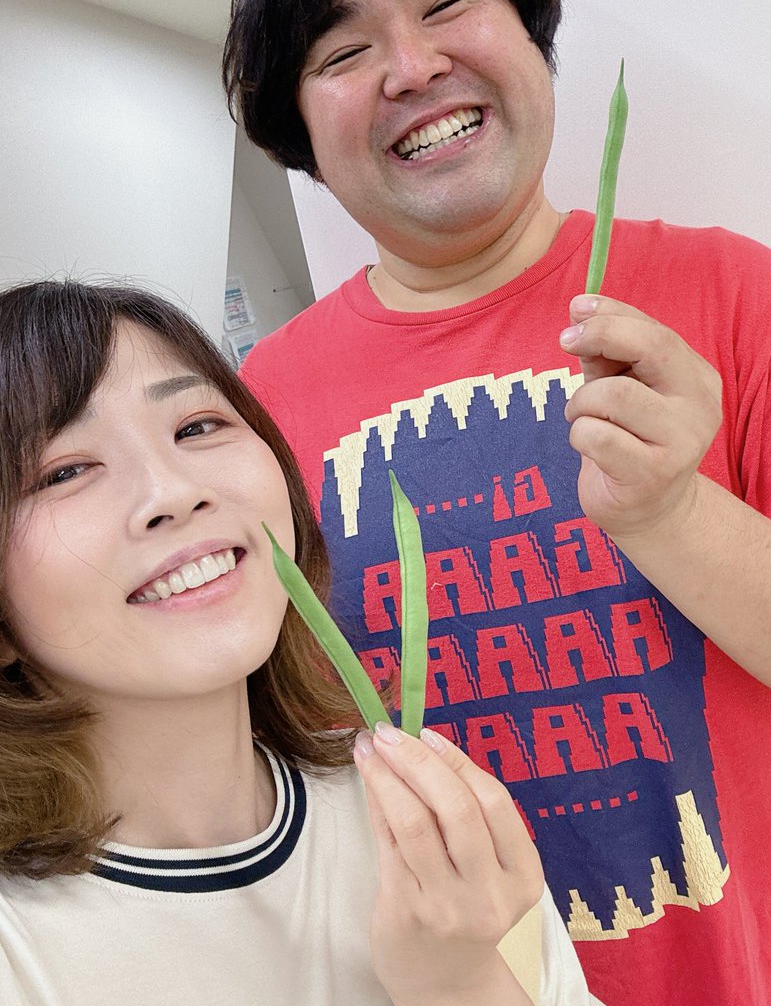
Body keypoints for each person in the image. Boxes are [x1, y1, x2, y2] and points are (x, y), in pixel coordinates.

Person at [222, 0, 771, 1006]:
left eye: (446, 3)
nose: (413, 66)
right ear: (301, 133)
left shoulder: (733, 294)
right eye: (342, 52)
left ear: (531, 37)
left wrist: (673, 513)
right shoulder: (252, 414)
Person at [0, 278, 598, 1006]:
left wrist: (460, 981)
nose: (174, 491)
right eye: (64, 471)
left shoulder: (421, 815)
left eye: (197, 427)